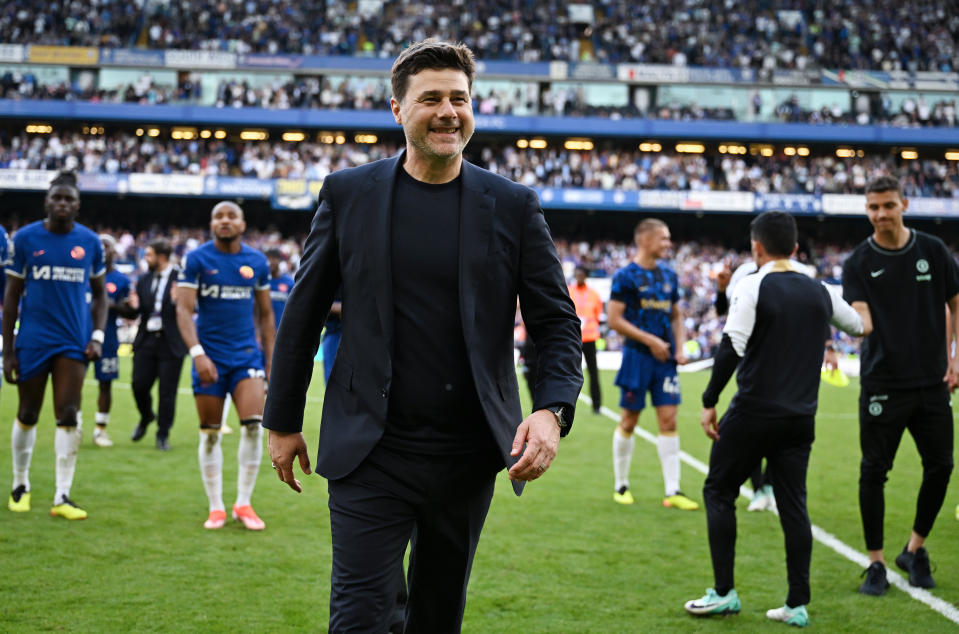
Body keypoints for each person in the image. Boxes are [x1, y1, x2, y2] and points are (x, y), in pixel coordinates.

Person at [262, 39, 583, 633]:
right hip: (369, 451)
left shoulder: (512, 206)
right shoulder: (348, 194)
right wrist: (281, 420)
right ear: (397, 109)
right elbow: (303, 313)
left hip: (465, 455)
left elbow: (556, 322)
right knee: (358, 619)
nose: (447, 111)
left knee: (436, 618)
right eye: (430, 98)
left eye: (459, 99)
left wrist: (551, 410)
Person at [684, 211, 869, 627]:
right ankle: (796, 604)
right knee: (793, 505)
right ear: (797, 248)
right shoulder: (820, 289)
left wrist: (710, 399)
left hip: (754, 411)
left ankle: (724, 593)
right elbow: (858, 326)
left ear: (757, 248)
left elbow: (732, 346)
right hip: (801, 417)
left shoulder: (753, 284)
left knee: (718, 490)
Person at [843, 175, 959, 595]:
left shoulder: (933, 250)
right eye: (873, 208)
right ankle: (875, 563)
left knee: (942, 466)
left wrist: (955, 360)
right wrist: (845, 322)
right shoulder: (857, 262)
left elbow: (957, 305)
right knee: (873, 472)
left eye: (888, 205)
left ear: (904, 204)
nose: (880, 215)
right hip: (882, 384)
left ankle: (915, 549)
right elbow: (863, 320)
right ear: (867, 210)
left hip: (932, 383)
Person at [3, 170, 107, 520]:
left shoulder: (90, 242)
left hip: (72, 342)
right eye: (56, 198)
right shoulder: (26, 239)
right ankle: (21, 485)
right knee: (28, 414)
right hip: (32, 340)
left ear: (78, 205)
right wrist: (8, 349)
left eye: (69, 199)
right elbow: (12, 298)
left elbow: (101, 298)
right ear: (46, 201)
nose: (62, 204)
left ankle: (62, 495)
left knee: (68, 414)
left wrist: (97, 336)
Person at [176, 201, 275, 530]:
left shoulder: (256, 262)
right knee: (211, 434)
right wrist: (197, 353)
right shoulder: (197, 259)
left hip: (246, 356)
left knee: (253, 426)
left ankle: (244, 504)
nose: (225, 221)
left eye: (231, 216)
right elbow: (183, 310)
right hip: (210, 359)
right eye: (218, 216)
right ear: (211, 223)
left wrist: (271, 364)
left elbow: (265, 316)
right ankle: (216, 505)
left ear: (243, 224)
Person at [607, 218, 696, 510]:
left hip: (665, 361)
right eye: (664, 238)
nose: (668, 244)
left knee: (669, 420)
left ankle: (673, 490)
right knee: (629, 420)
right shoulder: (626, 276)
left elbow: (676, 316)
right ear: (645, 240)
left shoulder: (669, 275)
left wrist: (679, 348)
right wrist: (650, 341)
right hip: (638, 358)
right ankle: (621, 485)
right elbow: (615, 320)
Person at [131, 238, 187, 451]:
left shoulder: (181, 278)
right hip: (146, 340)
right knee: (139, 385)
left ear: (161, 257)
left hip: (170, 342)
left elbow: (191, 308)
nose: (146, 259)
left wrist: (177, 301)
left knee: (167, 392)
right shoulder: (143, 279)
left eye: (149, 255)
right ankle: (146, 416)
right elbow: (138, 311)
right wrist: (130, 306)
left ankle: (162, 434)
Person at [91, 234, 136, 448]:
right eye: (99, 246)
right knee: (72, 381)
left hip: (108, 338)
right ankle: (74, 425)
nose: (102, 250)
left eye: (107, 246)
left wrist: (111, 305)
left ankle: (100, 429)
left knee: (105, 384)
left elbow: (131, 312)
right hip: (79, 335)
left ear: (114, 252)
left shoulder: (121, 280)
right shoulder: (81, 274)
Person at [568, 265, 603, 413]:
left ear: (586, 276)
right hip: (573, 338)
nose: (579, 277)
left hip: (589, 338)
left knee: (593, 372)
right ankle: (566, 406)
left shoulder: (594, 294)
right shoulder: (569, 291)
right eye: (577, 274)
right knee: (568, 372)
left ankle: (597, 406)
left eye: (582, 274)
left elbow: (597, 315)